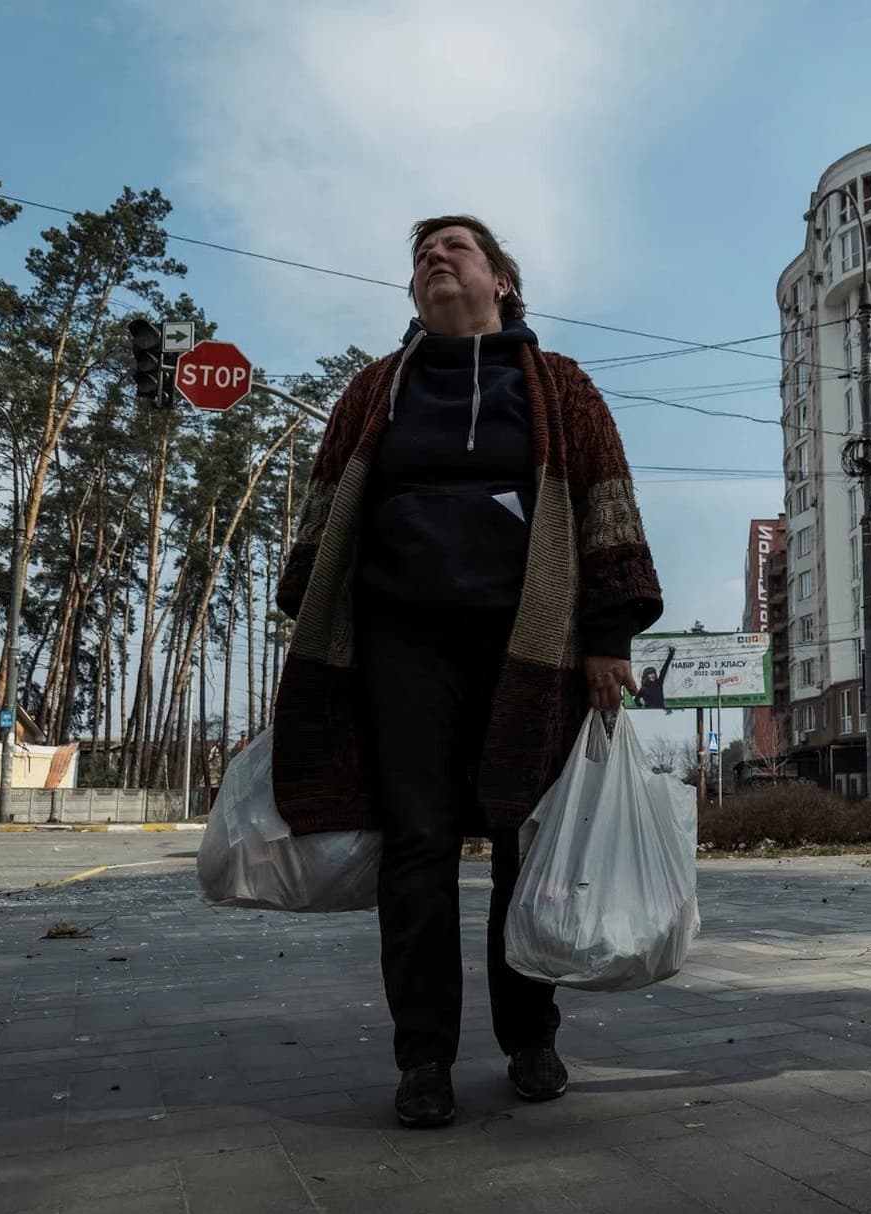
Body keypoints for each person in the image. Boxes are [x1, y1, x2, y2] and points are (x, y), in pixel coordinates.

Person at [272, 215, 663, 1128]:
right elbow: (326, 511)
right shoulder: (375, 391)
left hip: (531, 645)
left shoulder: (560, 387)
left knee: (525, 843)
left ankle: (532, 1037)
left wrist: (608, 637)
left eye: (457, 247)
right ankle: (424, 1060)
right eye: (421, 254)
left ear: (502, 281)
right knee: (418, 847)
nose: (434, 258)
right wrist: (318, 627)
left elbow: (608, 502)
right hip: (400, 644)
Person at [635, 644, 676, 709]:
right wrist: (641, 706)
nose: (653, 675)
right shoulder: (643, 689)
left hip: (661, 711)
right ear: (646, 676)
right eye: (650, 674)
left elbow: (664, 669)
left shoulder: (659, 683)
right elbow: (636, 700)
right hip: (650, 712)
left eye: (653, 673)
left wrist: (671, 654)